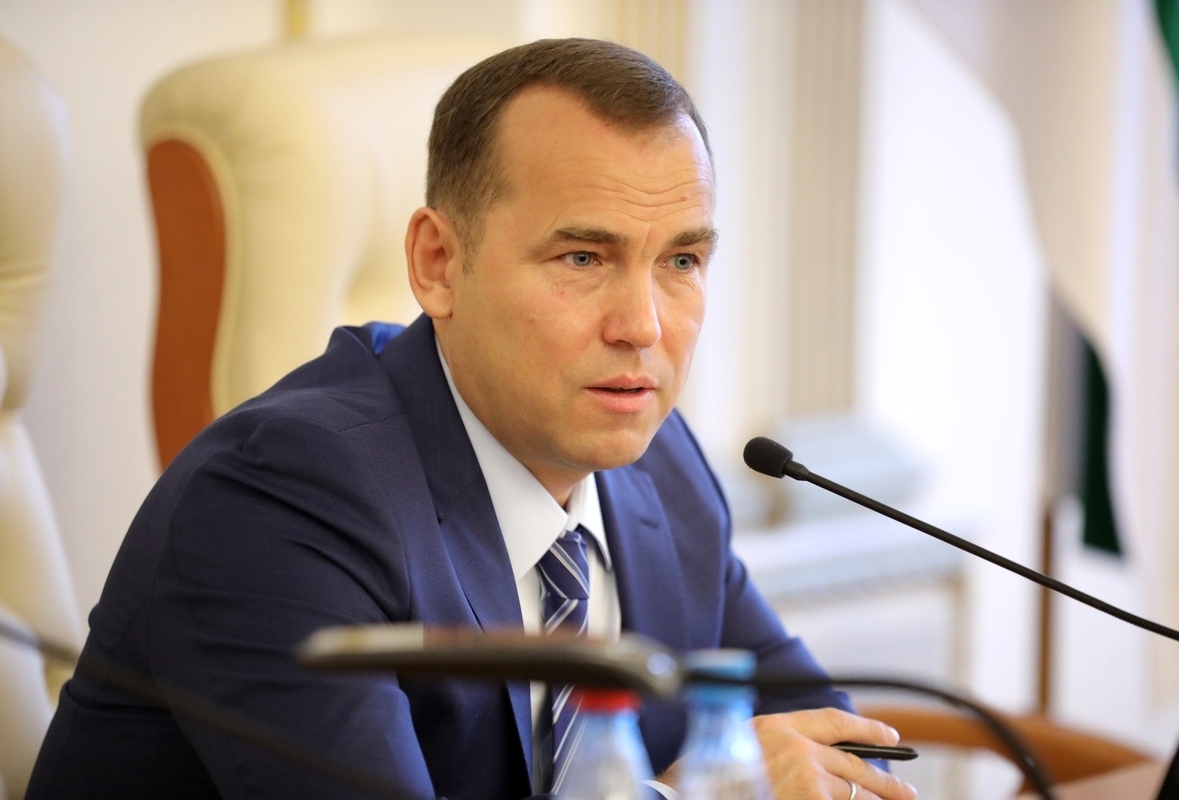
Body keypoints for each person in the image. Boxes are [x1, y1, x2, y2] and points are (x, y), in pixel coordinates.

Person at [27, 39, 915, 800]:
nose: (643, 327)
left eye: (682, 260)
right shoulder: (280, 495)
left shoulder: (661, 466)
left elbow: (832, 741)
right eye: (583, 256)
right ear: (438, 264)